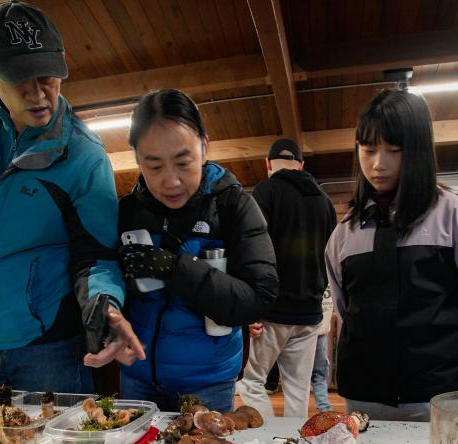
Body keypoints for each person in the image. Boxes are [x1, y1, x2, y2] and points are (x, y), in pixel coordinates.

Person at [0, 1, 143, 394]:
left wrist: (106, 308)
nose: (37, 93)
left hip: (54, 348)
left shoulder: (83, 155)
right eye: (18, 79)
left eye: (47, 76)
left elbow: (96, 254)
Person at [325, 89, 458, 421]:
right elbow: (344, 308)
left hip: (436, 397)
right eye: (368, 150)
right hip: (363, 396)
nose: (379, 164)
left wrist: (449, 364)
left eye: (394, 150)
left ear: (419, 150)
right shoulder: (344, 234)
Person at [116, 89, 278, 413]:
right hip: (137, 380)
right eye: (154, 166)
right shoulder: (126, 212)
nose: (170, 181)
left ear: (204, 146)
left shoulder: (234, 206)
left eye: (182, 162)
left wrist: (174, 268)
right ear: (136, 159)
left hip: (208, 385)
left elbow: (259, 297)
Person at [238, 138, 337, 418]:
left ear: (268, 164)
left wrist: (251, 306)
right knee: (298, 389)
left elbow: (251, 253)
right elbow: (331, 256)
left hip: (271, 311)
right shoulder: (324, 201)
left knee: (251, 382)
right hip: (309, 313)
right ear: (301, 165)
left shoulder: (265, 192)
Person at [310, 287, 334, 412]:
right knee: (318, 373)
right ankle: (325, 407)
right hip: (310, 328)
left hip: (318, 330)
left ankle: (325, 407)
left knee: (319, 373)